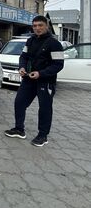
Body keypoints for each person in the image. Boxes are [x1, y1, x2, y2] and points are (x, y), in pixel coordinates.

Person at [4, 15, 64, 147]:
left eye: (40, 25)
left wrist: (40, 73)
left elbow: (58, 65)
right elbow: (23, 56)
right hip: (28, 79)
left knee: (44, 108)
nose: (37, 28)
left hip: (45, 81)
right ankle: (19, 129)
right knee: (19, 102)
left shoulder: (54, 43)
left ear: (46, 26)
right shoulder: (30, 41)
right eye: (35, 26)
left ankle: (43, 136)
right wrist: (22, 67)